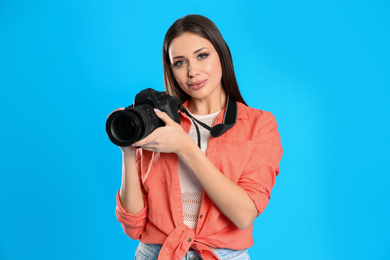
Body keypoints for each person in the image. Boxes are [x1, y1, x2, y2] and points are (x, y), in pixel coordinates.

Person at [113, 14, 283, 260]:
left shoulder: (259, 125)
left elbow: (244, 215)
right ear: (171, 69)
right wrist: (128, 152)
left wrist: (186, 147)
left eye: (202, 56)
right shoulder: (159, 122)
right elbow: (133, 227)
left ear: (222, 55)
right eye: (180, 63)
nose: (192, 72)